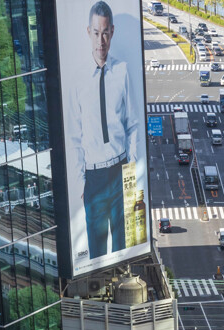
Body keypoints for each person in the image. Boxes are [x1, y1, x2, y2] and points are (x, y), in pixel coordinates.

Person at [67, 1, 142, 262]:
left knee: (124, 252)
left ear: (112, 32)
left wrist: (130, 166)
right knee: (96, 258)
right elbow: (74, 137)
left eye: (106, 33)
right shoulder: (77, 81)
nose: (102, 41)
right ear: (89, 32)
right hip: (95, 178)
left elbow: (132, 124)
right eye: (97, 33)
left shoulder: (121, 72)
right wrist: (82, 184)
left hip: (121, 171)